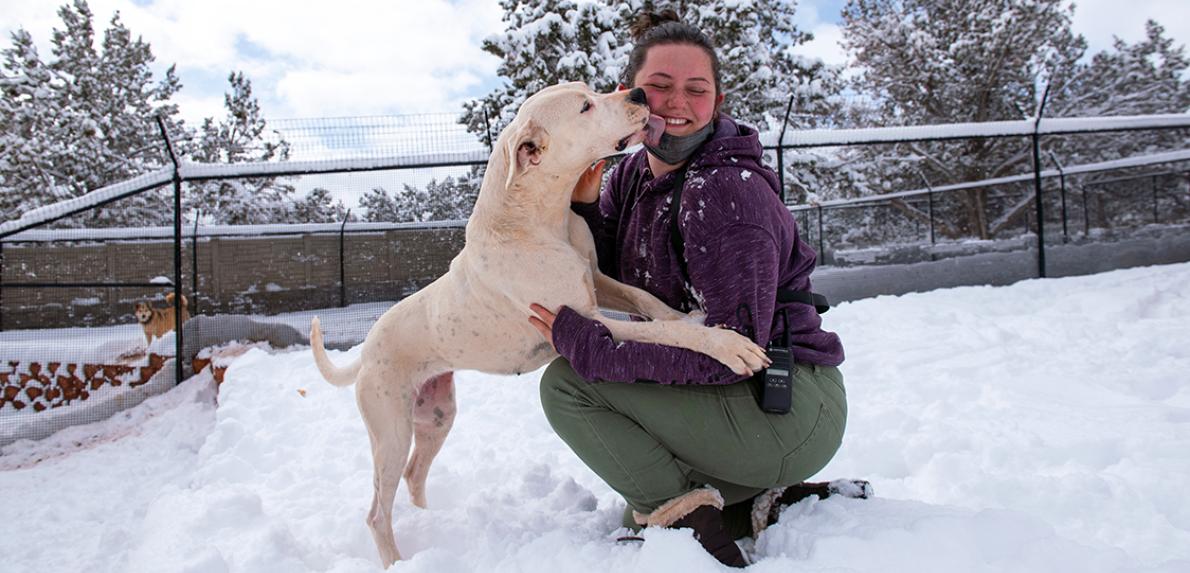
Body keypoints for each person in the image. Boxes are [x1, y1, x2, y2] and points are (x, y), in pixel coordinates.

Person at [527, 8, 867, 568]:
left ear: (717, 99)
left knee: (568, 386)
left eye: (696, 89)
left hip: (786, 398)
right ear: (630, 96)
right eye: (659, 87)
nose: (678, 103)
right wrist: (586, 203)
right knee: (636, 489)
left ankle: (701, 534)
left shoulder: (725, 193)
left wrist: (591, 346)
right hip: (746, 395)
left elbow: (731, 351)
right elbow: (614, 267)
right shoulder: (637, 172)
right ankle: (762, 505)